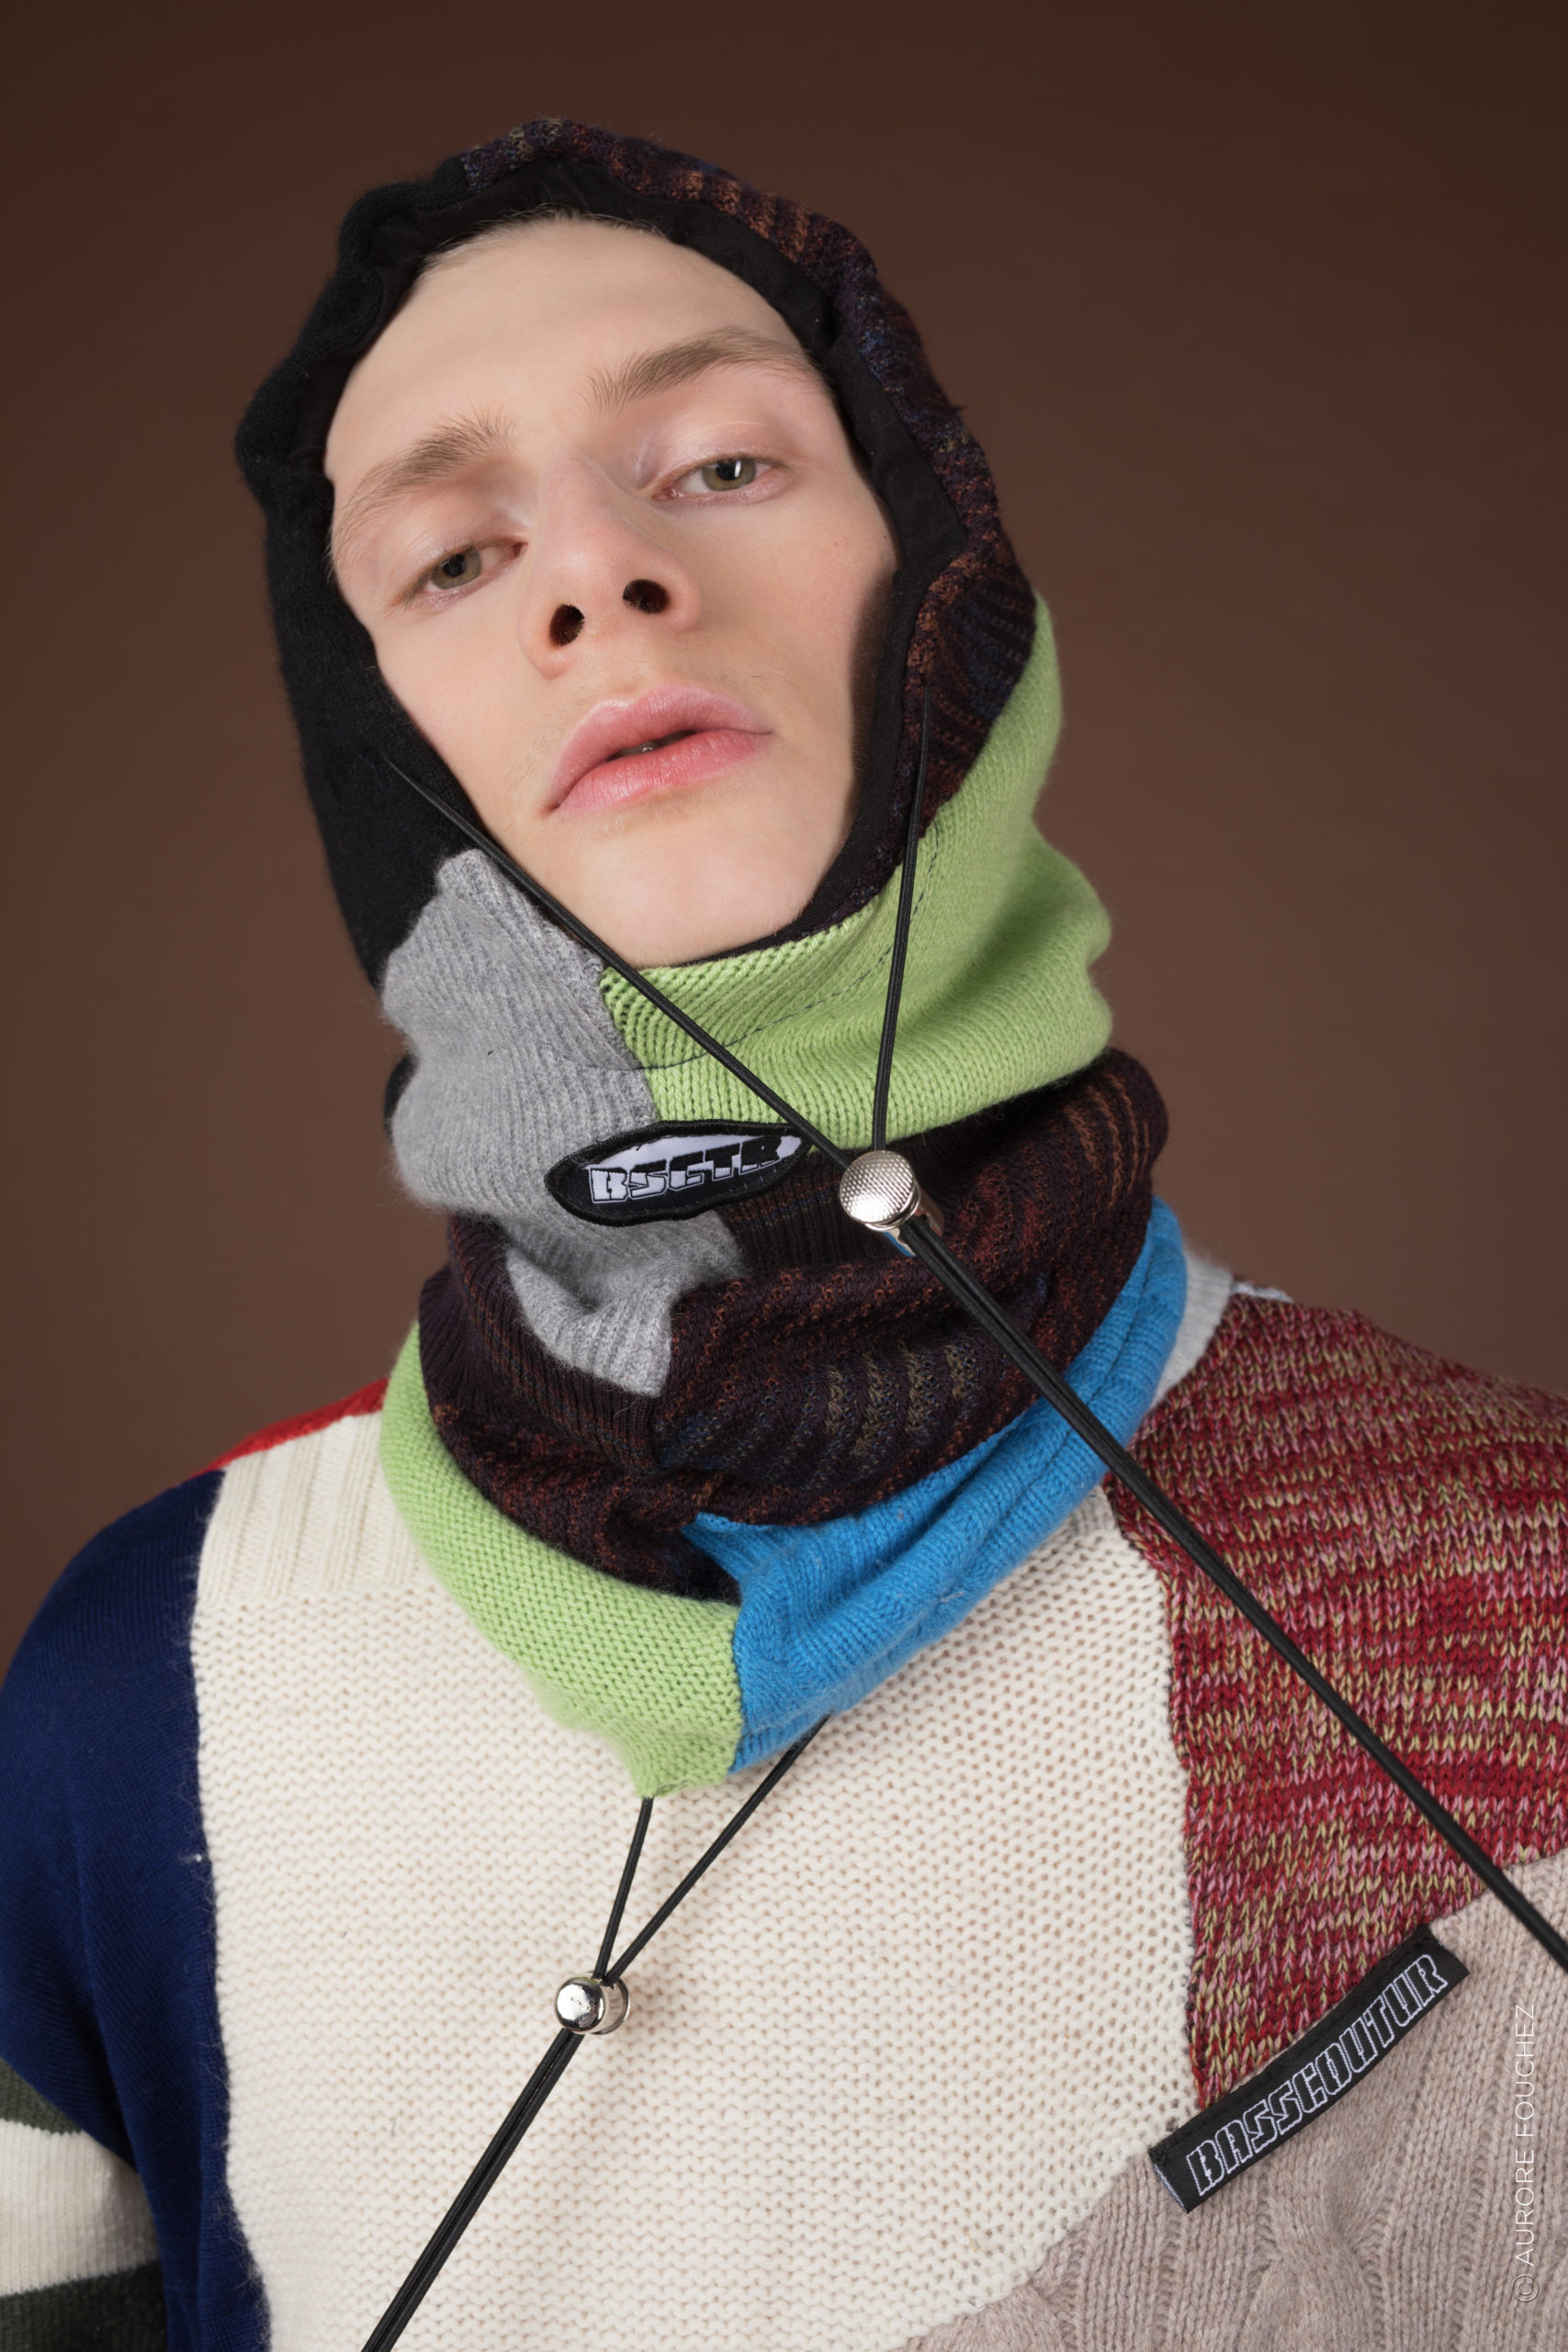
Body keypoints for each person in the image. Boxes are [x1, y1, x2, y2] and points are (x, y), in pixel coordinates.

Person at [1, 118, 1563, 2352]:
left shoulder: (1521, 1575)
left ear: (942, 588)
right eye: (451, 554)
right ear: (366, 744)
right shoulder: (128, 1687)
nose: (594, 573)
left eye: (721, 463)